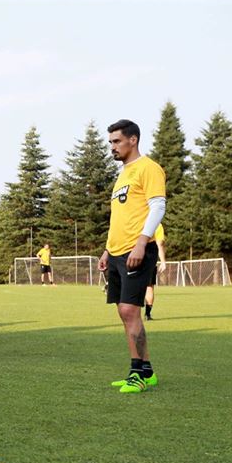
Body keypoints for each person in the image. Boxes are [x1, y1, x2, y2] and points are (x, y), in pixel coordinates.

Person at [99, 119, 165, 394]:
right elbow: (120, 216)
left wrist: (141, 243)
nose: (112, 147)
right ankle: (146, 371)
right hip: (116, 252)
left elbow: (158, 207)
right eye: (111, 142)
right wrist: (107, 250)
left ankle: (136, 373)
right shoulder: (123, 175)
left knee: (129, 310)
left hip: (136, 251)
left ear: (133, 140)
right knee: (124, 312)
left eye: (116, 141)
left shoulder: (148, 168)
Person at [144, 223, 167, 320]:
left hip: (134, 254)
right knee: (149, 287)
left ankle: (132, 314)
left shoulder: (137, 220)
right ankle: (147, 314)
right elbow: (160, 244)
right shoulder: (157, 224)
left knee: (133, 285)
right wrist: (163, 261)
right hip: (150, 257)